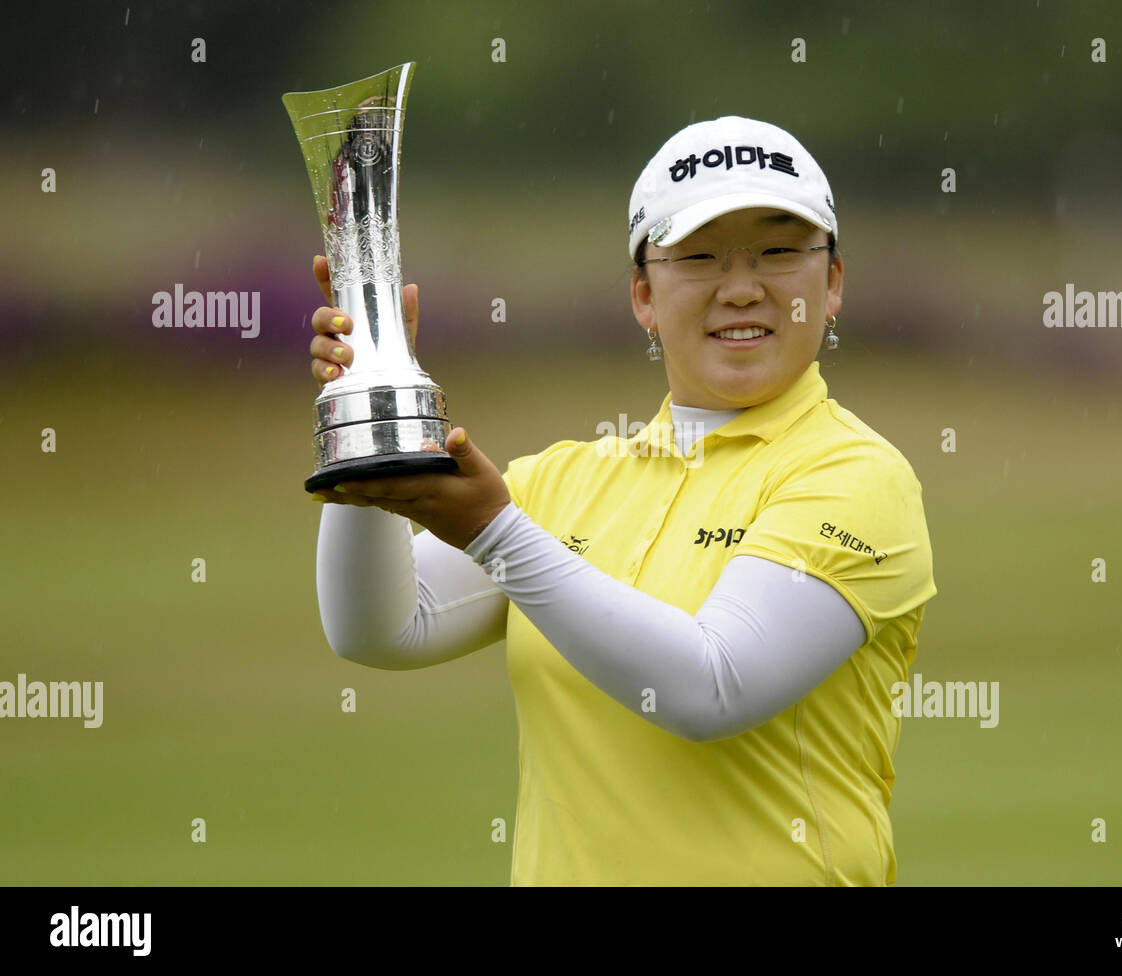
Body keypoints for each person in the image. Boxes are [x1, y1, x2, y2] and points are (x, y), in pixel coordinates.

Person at [305, 116, 937, 886]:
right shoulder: (559, 482)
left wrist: (494, 532)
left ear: (831, 282)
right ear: (644, 294)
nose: (741, 287)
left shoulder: (857, 476)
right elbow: (378, 629)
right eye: (698, 257)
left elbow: (712, 686)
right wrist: (367, 425)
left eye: (778, 251)